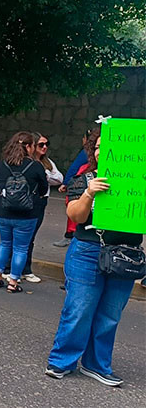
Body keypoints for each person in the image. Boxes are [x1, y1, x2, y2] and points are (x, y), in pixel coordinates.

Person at [45, 131, 142, 387]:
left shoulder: (139, 183)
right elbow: (75, 216)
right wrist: (89, 193)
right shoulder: (84, 178)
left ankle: (96, 365)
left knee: (110, 314)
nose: (101, 151)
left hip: (125, 255)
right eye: (98, 147)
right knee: (79, 309)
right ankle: (62, 361)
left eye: (107, 147)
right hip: (88, 251)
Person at [0, 132, 48, 293]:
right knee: (21, 248)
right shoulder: (35, 166)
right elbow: (44, 188)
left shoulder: (2, 164)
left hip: (3, 211)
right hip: (26, 214)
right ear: (28, 147)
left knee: (4, 243)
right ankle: (13, 282)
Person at [3, 133, 63, 283]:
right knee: (20, 239)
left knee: (29, 238)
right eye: (41, 145)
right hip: (26, 202)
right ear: (31, 146)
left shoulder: (46, 163)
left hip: (41, 202)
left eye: (46, 144)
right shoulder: (27, 163)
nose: (44, 147)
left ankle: (24, 269)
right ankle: (10, 269)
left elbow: (59, 178)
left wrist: (45, 175)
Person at [53, 129, 92, 247]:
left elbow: (75, 168)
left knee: (74, 208)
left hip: (81, 187)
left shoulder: (86, 152)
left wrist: (65, 183)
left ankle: (69, 236)